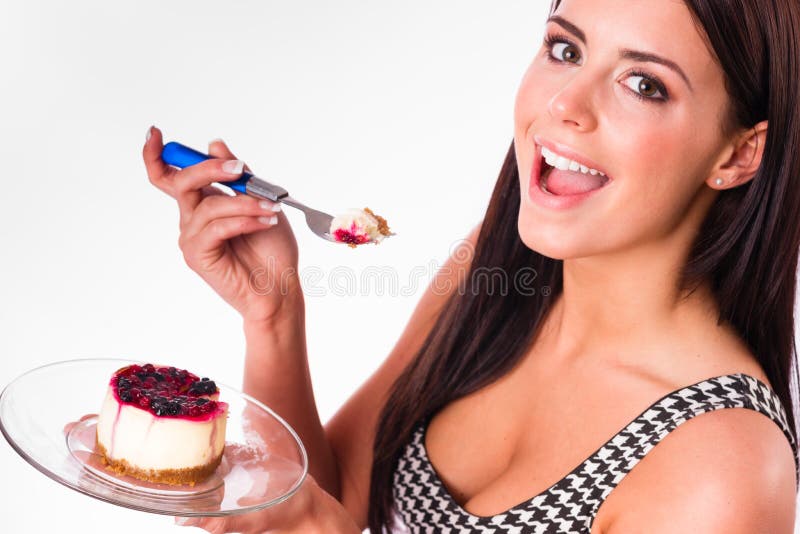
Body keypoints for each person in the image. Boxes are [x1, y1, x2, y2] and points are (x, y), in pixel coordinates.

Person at [143, 0, 800, 531]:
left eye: (643, 84)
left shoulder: (719, 468)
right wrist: (274, 312)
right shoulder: (497, 270)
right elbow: (336, 495)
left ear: (740, 155)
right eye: (565, 49)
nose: (565, 104)